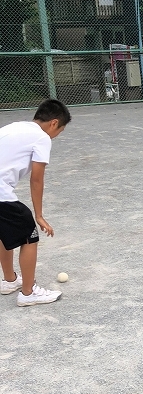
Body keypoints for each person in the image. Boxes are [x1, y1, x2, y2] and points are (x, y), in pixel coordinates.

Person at [0, 99, 71, 306]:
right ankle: (28, 293)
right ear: (54, 123)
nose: (56, 136)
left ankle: (9, 280)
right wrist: (38, 215)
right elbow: (37, 178)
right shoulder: (42, 138)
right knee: (28, 234)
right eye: (60, 131)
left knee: (5, 232)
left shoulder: (15, 127)